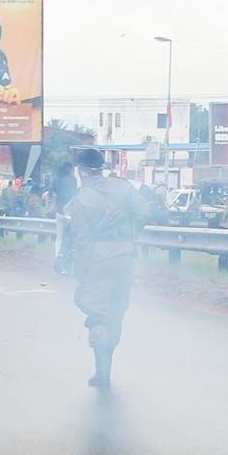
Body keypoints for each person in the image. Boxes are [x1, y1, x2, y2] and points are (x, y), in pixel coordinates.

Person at [66, 149, 149, 387]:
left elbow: (81, 242)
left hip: (97, 261)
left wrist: (81, 273)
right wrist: (130, 234)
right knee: (117, 310)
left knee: (99, 312)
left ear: (82, 171)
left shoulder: (81, 199)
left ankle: (102, 372)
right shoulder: (122, 187)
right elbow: (144, 212)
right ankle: (106, 365)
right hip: (124, 258)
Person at [52, 162, 77, 274]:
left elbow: (55, 192)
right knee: (69, 240)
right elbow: (73, 194)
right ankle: (66, 265)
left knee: (59, 238)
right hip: (70, 213)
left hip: (59, 211)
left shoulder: (56, 179)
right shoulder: (72, 180)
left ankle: (58, 258)